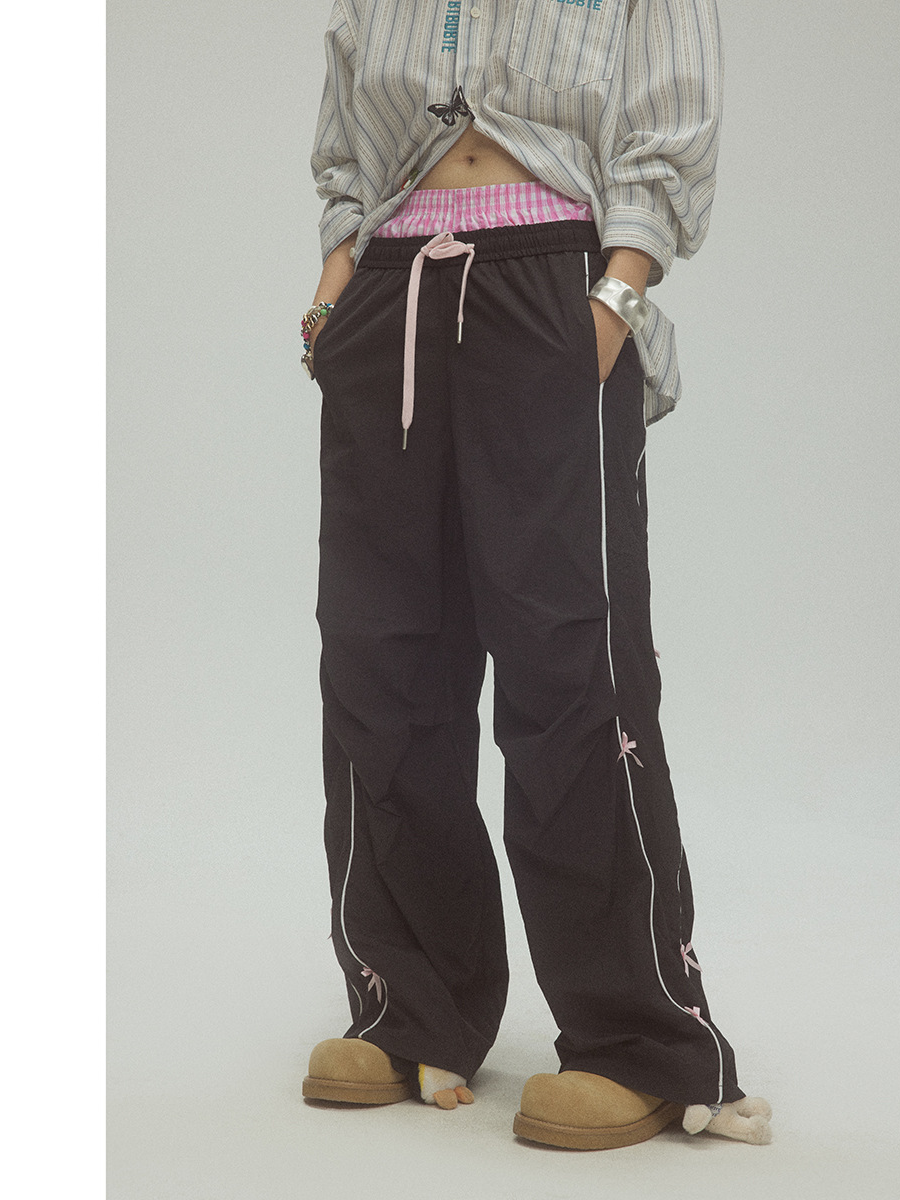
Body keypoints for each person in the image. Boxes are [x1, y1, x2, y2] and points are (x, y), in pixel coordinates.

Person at [298, 0, 772, 1150]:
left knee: (572, 668)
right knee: (379, 660)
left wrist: (611, 299)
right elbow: (347, 136)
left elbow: (669, 124)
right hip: (390, 291)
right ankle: (410, 1005)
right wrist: (335, 284)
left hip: (550, 283)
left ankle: (639, 1041)